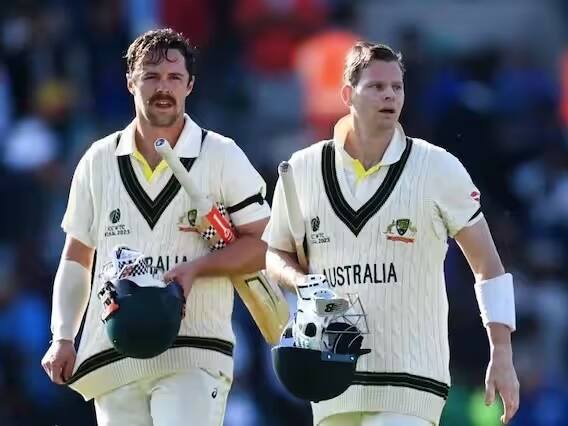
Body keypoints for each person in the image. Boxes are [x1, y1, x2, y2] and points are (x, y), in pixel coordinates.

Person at [263, 41, 519, 426]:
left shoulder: (437, 167)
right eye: (376, 86)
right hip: (331, 380)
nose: (390, 95)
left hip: (411, 379)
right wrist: (302, 282)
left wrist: (501, 351)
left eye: (397, 87)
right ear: (347, 94)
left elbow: (488, 266)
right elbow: (274, 254)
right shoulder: (301, 169)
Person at [40, 28, 271, 426]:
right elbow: (77, 258)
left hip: (193, 348)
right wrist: (62, 335)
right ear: (130, 82)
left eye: (174, 77)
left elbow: (264, 246)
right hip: (115, 351)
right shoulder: (98, 160)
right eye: (151, 76)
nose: (163, 87)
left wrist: (197, 269)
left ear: (190, 85)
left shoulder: (221, 155)